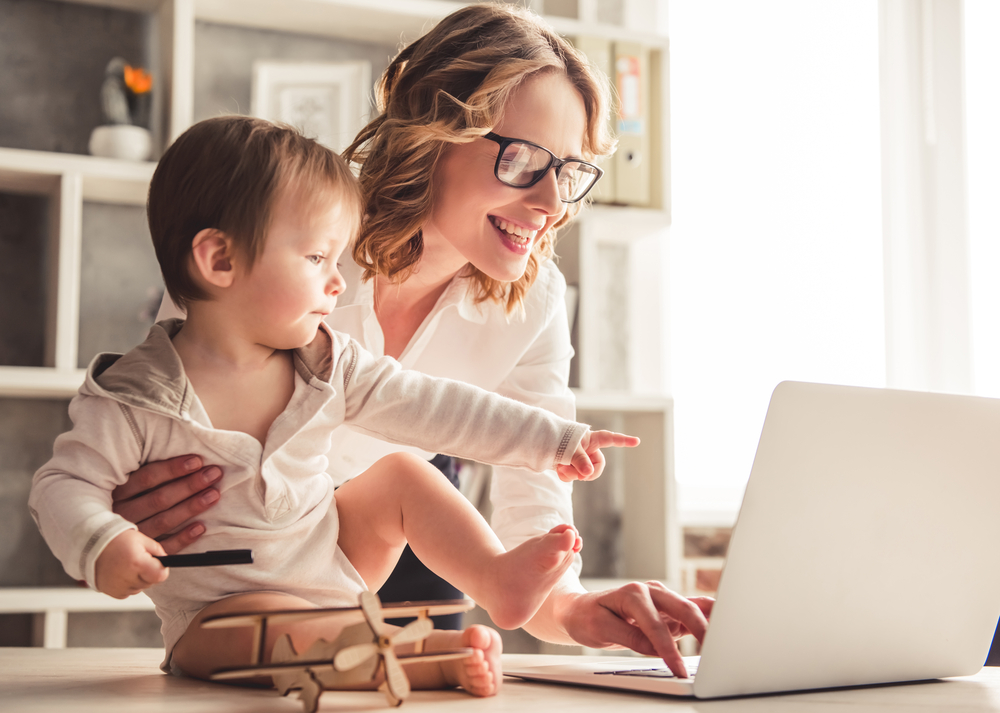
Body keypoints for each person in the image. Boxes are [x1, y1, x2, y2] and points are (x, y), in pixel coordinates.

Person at [116, 3, 712, 678]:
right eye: (523, 159)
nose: (551, 203)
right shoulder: (285, 246)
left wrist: (575, 607)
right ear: (436, 132)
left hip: (406, 541)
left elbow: (533, 515)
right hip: (250, 560)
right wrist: (123, 505)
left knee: (415, 500)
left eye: (568, 171)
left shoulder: (535, 302)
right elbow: (146, 434)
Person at [29, 115, 641, 695]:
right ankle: (412, 661)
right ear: (220, 260)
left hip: (335, 564)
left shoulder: (327, 361)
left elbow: (437, 406)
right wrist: (104, 541)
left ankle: (495, 577)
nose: (338, 281)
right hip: (220, 619)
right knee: (271, 631)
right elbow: (62, 486)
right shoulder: (136, 394)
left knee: (405, 471)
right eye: (318, 259)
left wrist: (555, 439)